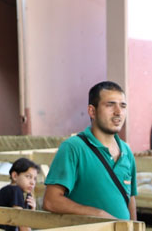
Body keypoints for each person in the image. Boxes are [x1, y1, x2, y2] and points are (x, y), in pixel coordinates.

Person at [43, 82, 138, 222]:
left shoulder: (126, 151)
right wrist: (98, 214)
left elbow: (130, 199)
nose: (118, 112)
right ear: (92, 111)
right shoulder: (73, 147)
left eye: (123, 106)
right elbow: (51, 201)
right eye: (110, 105)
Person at [0, 157, 42, 231]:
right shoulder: (14, 190)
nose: (32, 182)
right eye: (28, 176)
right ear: (15, 176)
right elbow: (21, 223)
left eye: (34, 179)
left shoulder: (25, 193)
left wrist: (32, 209)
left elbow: (26, 221)